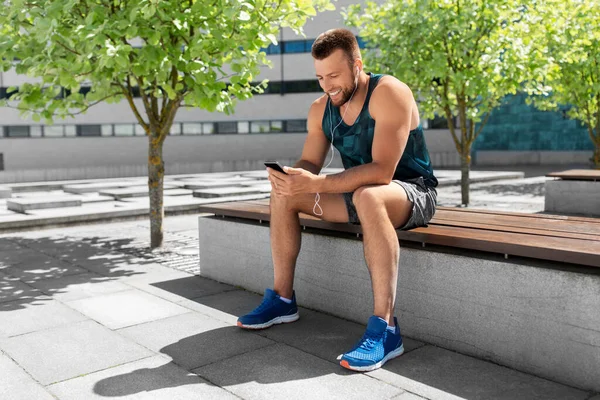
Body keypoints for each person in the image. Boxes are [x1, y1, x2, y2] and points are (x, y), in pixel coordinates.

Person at [237, 28, 438, 372]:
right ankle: (283, 299)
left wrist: (319, 183)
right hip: (358, 194)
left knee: (369, 196)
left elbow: (383, 172)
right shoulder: (321, 109)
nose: (327, 85)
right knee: (285, 194)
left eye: (334, 75)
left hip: (411, 191)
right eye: (319, 77)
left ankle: (386, 329)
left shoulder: (389, 93)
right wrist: (293, 176)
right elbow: (310, 163)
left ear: (357, 64)